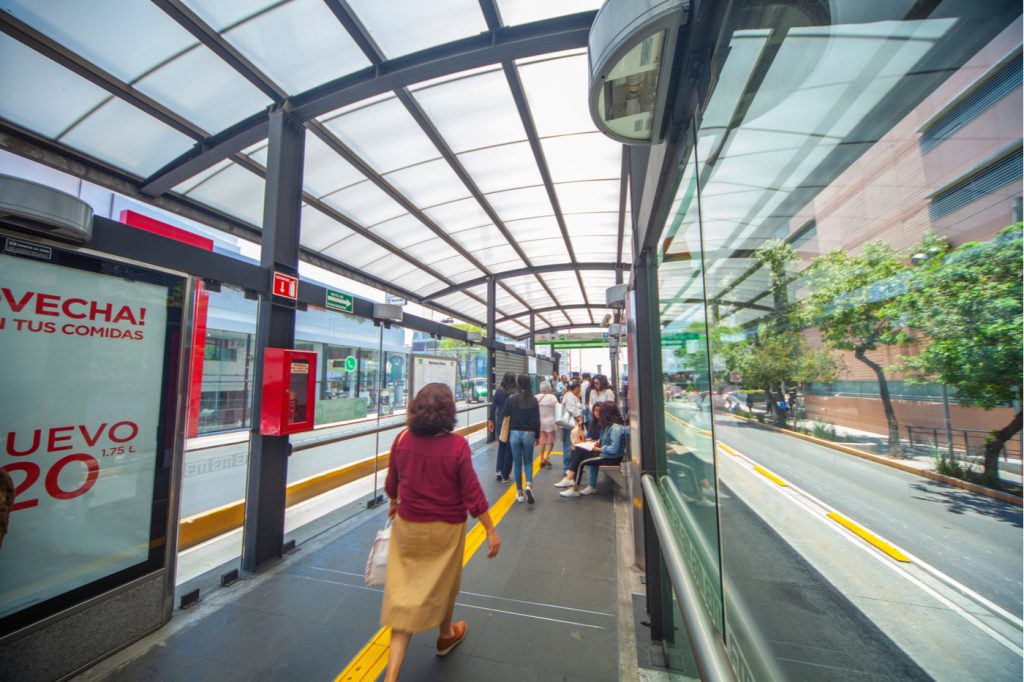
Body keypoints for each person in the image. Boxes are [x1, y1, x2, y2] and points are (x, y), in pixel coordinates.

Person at [381, 383, 501, 681]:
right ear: (449, 412)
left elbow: (392, 480)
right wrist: (490, 529)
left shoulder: (402, 439)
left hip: (408, 528)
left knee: (404, 596)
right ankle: (446, 635)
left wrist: (394, 502)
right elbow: (472, 493)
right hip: (445, 530)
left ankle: (392, 676)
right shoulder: (457, 446)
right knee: (445, 582)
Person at [557, 401, 628, 497]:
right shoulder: (608, 426)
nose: (598, 414)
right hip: (608, 455)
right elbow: (603, 442)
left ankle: (573, 485)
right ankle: (575, 481)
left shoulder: (615, 428)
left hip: (611, 457)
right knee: (579, 450)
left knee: (582, 461)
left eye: (601, 412)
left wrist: (598, 449)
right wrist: (596, 445)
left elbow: (613, 449)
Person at [504, 374, 540, 504]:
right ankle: (529, 486)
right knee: (529, 462)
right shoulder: (533, 400)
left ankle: (519, 493)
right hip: (529, 433)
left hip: (514, 434)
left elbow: (505, 415)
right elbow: (537, 419)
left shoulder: (512, 399)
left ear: (518, 384)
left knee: (518, 464)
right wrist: (537, 436)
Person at [488, 373, 516, 482]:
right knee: (509, 448)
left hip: (500, 421)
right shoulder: (514, 393)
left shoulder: (499, 392)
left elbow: (493, 407)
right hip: (511, 422)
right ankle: (505, 475)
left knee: (501, 446)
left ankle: (499, 471)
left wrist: (491, 421)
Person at [558, 380, 584, 475]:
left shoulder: (573, 396)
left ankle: (572, 466)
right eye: (579, 388)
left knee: (573, 445)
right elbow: (571, 409)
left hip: (574, 425)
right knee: (568, 446)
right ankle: (567, 467)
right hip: (569, 425)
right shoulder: (569, 396)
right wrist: (579, 418)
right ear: (577, 388)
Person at [536, 382, 558, 469]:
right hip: (550, 422)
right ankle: (546, 456)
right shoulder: (552, 397)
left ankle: (541, 458)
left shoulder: (536, 397)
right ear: (549, 388)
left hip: (540, 422)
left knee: (542, 441)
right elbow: (557, 408)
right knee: (551, 441)